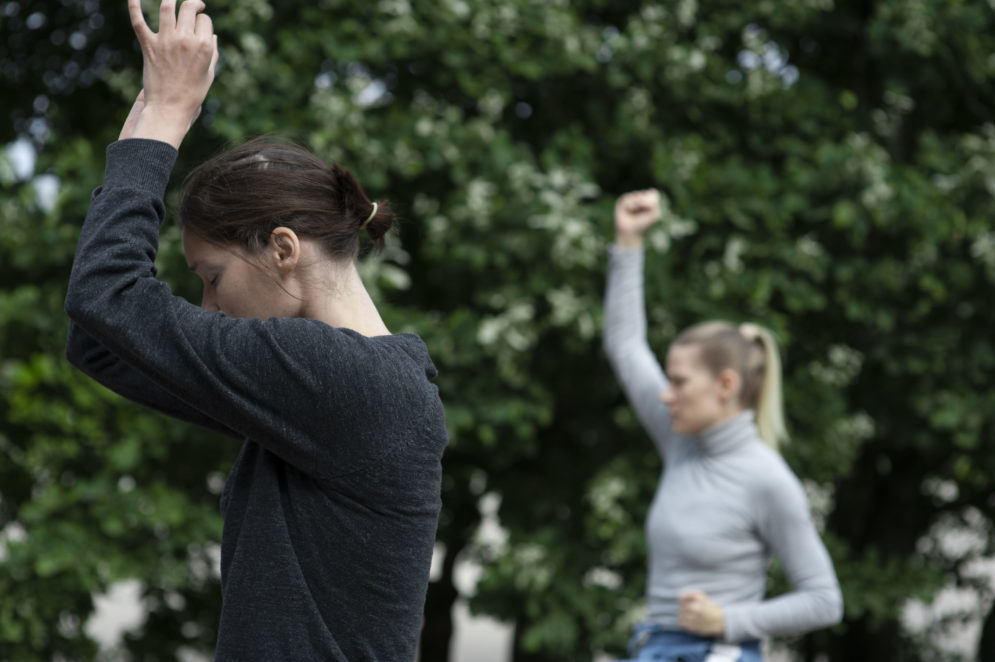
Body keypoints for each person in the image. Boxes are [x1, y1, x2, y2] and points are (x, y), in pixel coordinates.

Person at [64, 1, 448, 659]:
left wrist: (166, 116)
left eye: (211, 275)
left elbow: (108, 295)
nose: (207, 307)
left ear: (281, 249)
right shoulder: (329, 388)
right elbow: (100, 338)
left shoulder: (341, 378)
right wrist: (149, 111)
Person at [602, 189, 842, 661]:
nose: (665, 395)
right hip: (654, 646)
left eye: (679, 382)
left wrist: (730, 621)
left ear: (725, 384)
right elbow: (626, 345)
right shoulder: (680, 441)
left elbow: (824, 599)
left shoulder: (767, 478)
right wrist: (628, 243)